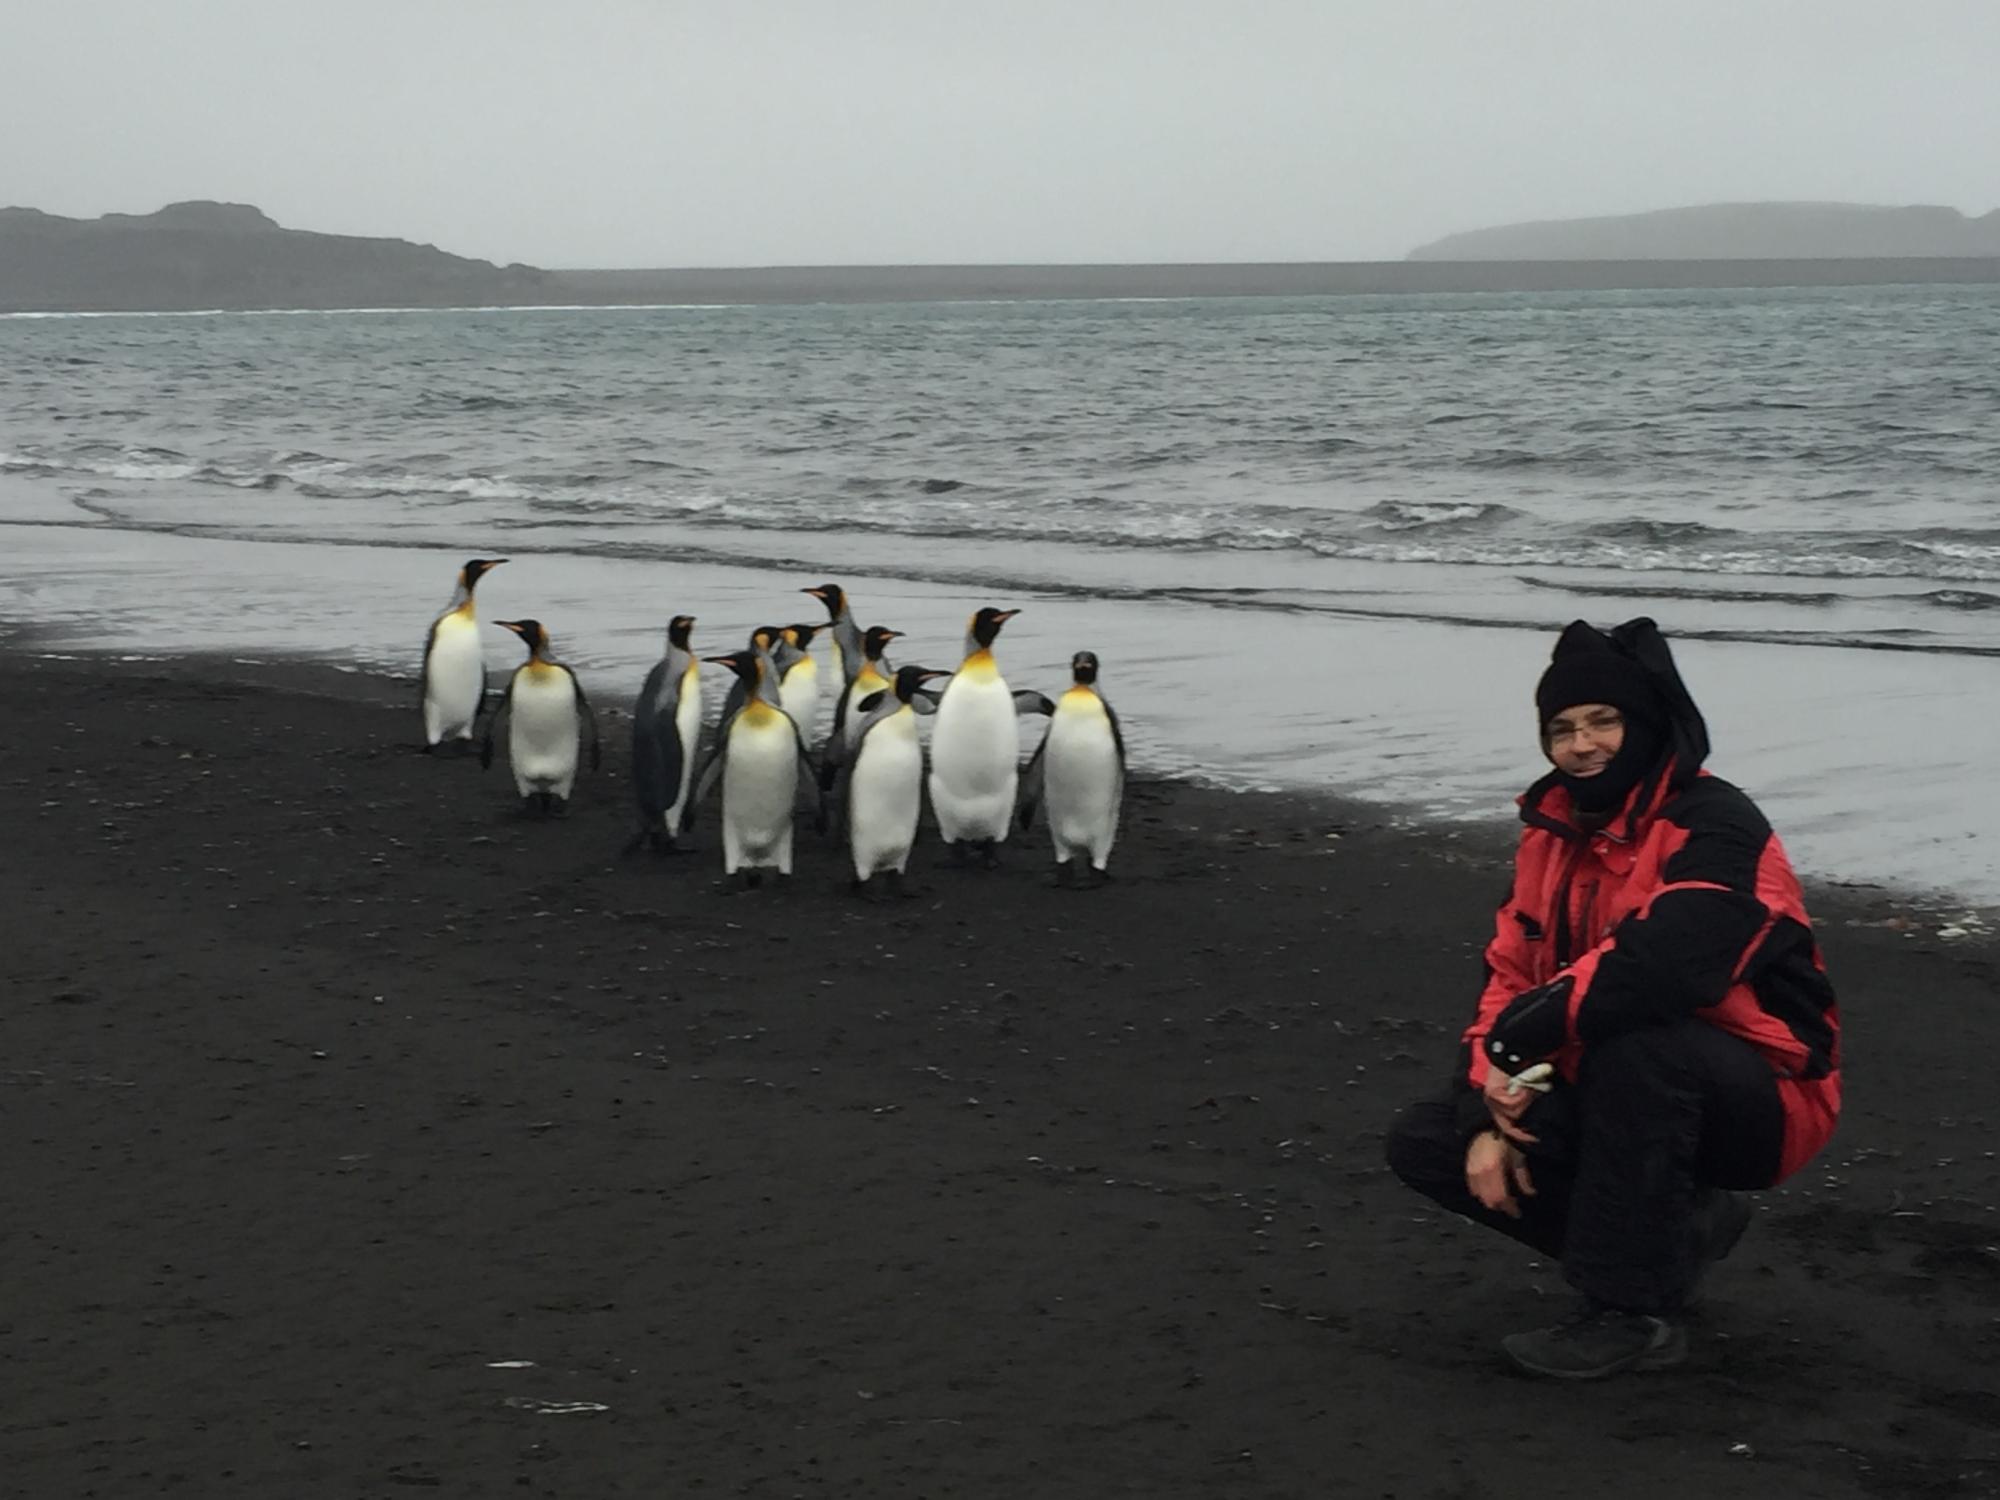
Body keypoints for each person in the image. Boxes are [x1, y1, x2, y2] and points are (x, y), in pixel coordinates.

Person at [1384, 617, 1841, 1380]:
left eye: (1603, 720)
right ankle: (1675, 1238)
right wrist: (1485, 1106)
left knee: (1642, 1043)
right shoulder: (1550, 835)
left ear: (1646, 722)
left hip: (1764, 1094)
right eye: (1562, 729)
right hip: (1605, 1076)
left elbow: (1669, 963)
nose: (1582, 744)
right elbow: (1509, 973)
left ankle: (1631, 1313)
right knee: (1432, 1142)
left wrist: (1522, 1040)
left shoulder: (1717, 824)